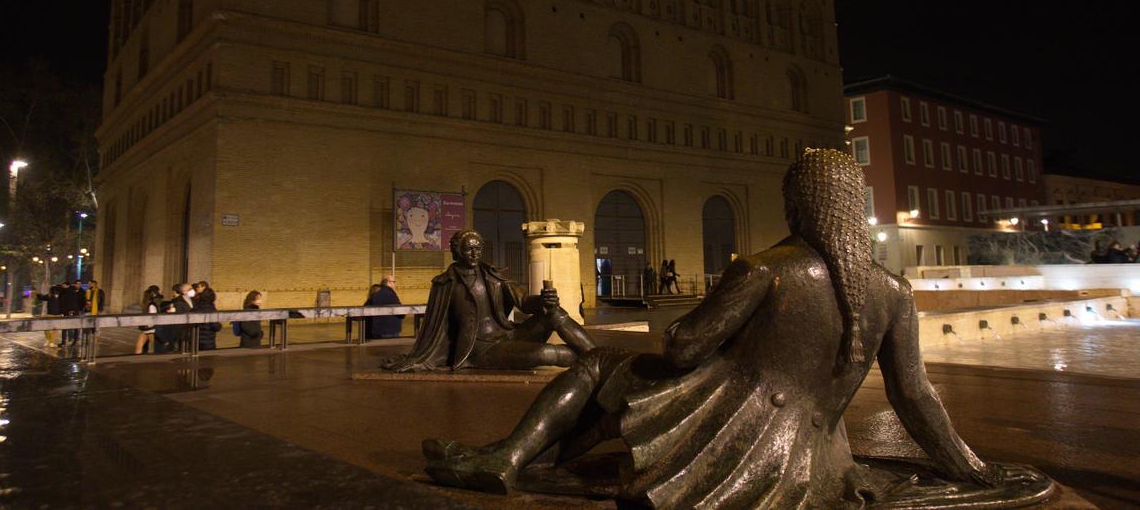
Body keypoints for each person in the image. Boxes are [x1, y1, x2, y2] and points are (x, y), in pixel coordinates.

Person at [423, 149, 1006, 506]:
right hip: (816, 464)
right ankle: (513, 456)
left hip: (735, 435)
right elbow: (916, 397)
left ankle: (509, 458)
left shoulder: (766, 269)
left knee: (600, 365)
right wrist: (970, 468)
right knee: (616, 389)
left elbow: (684, 348)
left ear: (797, 208)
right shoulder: (893, 293)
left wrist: (691, 332)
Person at [382, 229, 594, 372]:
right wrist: (419, 358)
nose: (475, 253)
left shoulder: (493, 275)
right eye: (469, 249)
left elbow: (524, 301)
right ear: (457, 251)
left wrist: (543, 301)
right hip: (482, 349)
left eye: (478, 249)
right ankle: (593, 363)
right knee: (547, 352)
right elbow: (435, 327)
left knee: (554, 313)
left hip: (510, 335)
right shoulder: (445, 283)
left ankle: (599, 356)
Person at [364, 275, 405, 339]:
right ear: (388, 282)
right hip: (390, 330)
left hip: (376, 329)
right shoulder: (390, 294)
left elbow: (365, 309)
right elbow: (401, 312)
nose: (395, 284)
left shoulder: (375, 293)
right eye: (394, 282)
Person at [134, 285, 163, 355]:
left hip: (146, 328)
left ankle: (137, 357)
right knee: (152, 346)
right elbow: (153, 317)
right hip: (151, 328)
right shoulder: (151, 305)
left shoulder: (145, 305)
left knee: (139, 345)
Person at [58, 281, 86, 349]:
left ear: (67, 285)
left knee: (74, 326)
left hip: (72, 311)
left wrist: (72, 310)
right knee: (65, 327)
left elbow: (72, 301)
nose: (62, 286)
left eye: (63, 285)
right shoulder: (65, 291)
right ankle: (64, 342)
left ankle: (74, 341)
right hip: (67, 311)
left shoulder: (71, 292)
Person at [195, 286, 223, 350]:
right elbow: (215, 326)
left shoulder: (196, 306)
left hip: (196, 339)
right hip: (207, 340)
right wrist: (220, 325)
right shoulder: (211, 308)